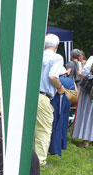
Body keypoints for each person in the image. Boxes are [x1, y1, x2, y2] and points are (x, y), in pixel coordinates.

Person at [37, 34, 65, 166]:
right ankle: (40, 160)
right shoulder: (57, 57)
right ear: (57, 46)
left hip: (29, 95)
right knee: (44, 129)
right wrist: (60, 88)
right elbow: (53, 76)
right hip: (43, 97)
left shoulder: (36, 55)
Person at [49, 67, 76, 156]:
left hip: (57, 103)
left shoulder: (58, 81)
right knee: (63, 125)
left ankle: (53, 147)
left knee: (55, 124)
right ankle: (62, 144)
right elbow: (76, 92)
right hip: (67, 103)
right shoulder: (71, 80)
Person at [72, 55, 93, 147]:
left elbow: (84, 73)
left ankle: (85, 140)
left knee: (88, 114)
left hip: (90, 92)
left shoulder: (92, 59)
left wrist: (80, 73)